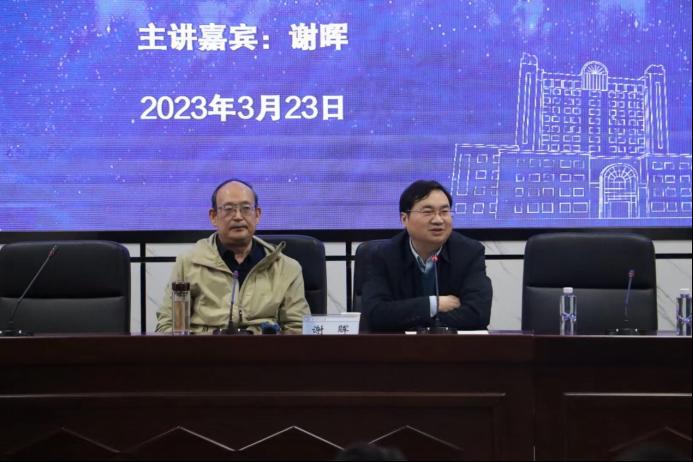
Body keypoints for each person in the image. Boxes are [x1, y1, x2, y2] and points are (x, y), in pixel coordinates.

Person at [156, 179, 310, 334]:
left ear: (257, 215)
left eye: (246, 208)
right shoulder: (189, 263)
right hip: (205, 348)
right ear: (213, 216)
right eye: (229, 209)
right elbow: (168, 326)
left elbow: (299, 328)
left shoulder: (286, 268)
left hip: (264, 348)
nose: (238, 217)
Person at [362, 180, 492, 332]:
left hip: (453, 345)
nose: (438, 220)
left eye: (444, 212)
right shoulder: (383, 255)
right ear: (404, 219)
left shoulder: (469, 252)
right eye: (427, 212)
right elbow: (375, 314)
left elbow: (478, 314)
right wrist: (433, 304)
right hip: (398, 345)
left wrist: (414, 319)